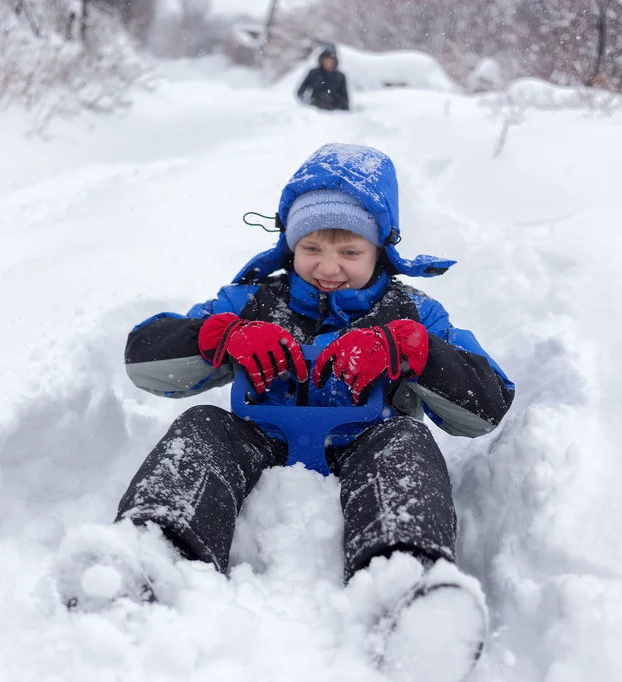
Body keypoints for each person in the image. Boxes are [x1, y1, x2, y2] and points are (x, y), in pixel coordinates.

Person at [57, 143, 514, 679]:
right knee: (202, 427)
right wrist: (220, 336)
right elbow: (144, 357)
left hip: (364, 443)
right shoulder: (253, 301)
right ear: (289, 244)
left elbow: (487, 403)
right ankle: (152, 555)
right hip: (261, 437)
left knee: (406, 444)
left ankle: (405, 587)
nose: (328, 267)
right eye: (312, 247)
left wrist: (409, 348)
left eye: (350, 252)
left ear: (380, 250)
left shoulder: (409, 310)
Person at [296, 44, 350, 111]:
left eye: (331, 60)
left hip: (334, 114)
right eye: (326, 59)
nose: (328, 62)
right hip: (315, 111)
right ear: (322, 60)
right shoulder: (314, 73)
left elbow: (344, 99)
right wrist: (309, 103)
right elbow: (300, 92)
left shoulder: (340, 77)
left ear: (335, 61)